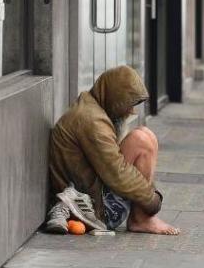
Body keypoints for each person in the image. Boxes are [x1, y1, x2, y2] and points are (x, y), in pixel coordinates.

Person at [46, 66, 180, 235]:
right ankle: (142, 219)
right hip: (94, 210)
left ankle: (142, 217)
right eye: (128, 104)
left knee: (146, 135)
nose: (131, 111)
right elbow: (117, 173)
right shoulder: (92, 122)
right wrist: (152, 200)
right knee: (141, 140)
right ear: (114, 98)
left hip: (92, 192)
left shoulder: (90, 109)